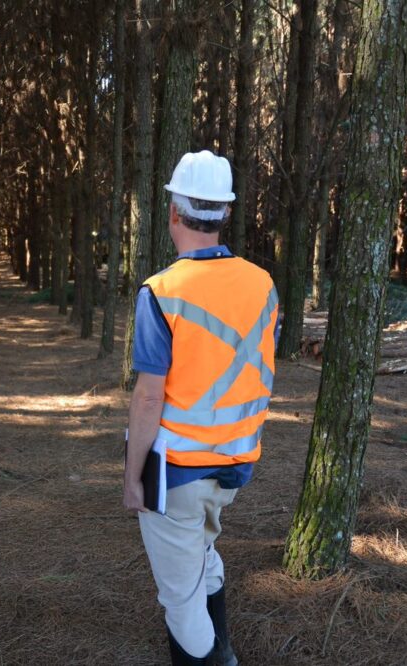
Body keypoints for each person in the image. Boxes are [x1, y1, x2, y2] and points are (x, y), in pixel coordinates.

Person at [123, 151, 278, 665]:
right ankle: (224, 649)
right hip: (235, 465)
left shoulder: (162, 292)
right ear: (224, 213)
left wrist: (132, 477)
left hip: (176, 473)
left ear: (173, 211)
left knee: (180, 598)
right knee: (204, 554)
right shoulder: (263, 284)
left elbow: (149, 395)